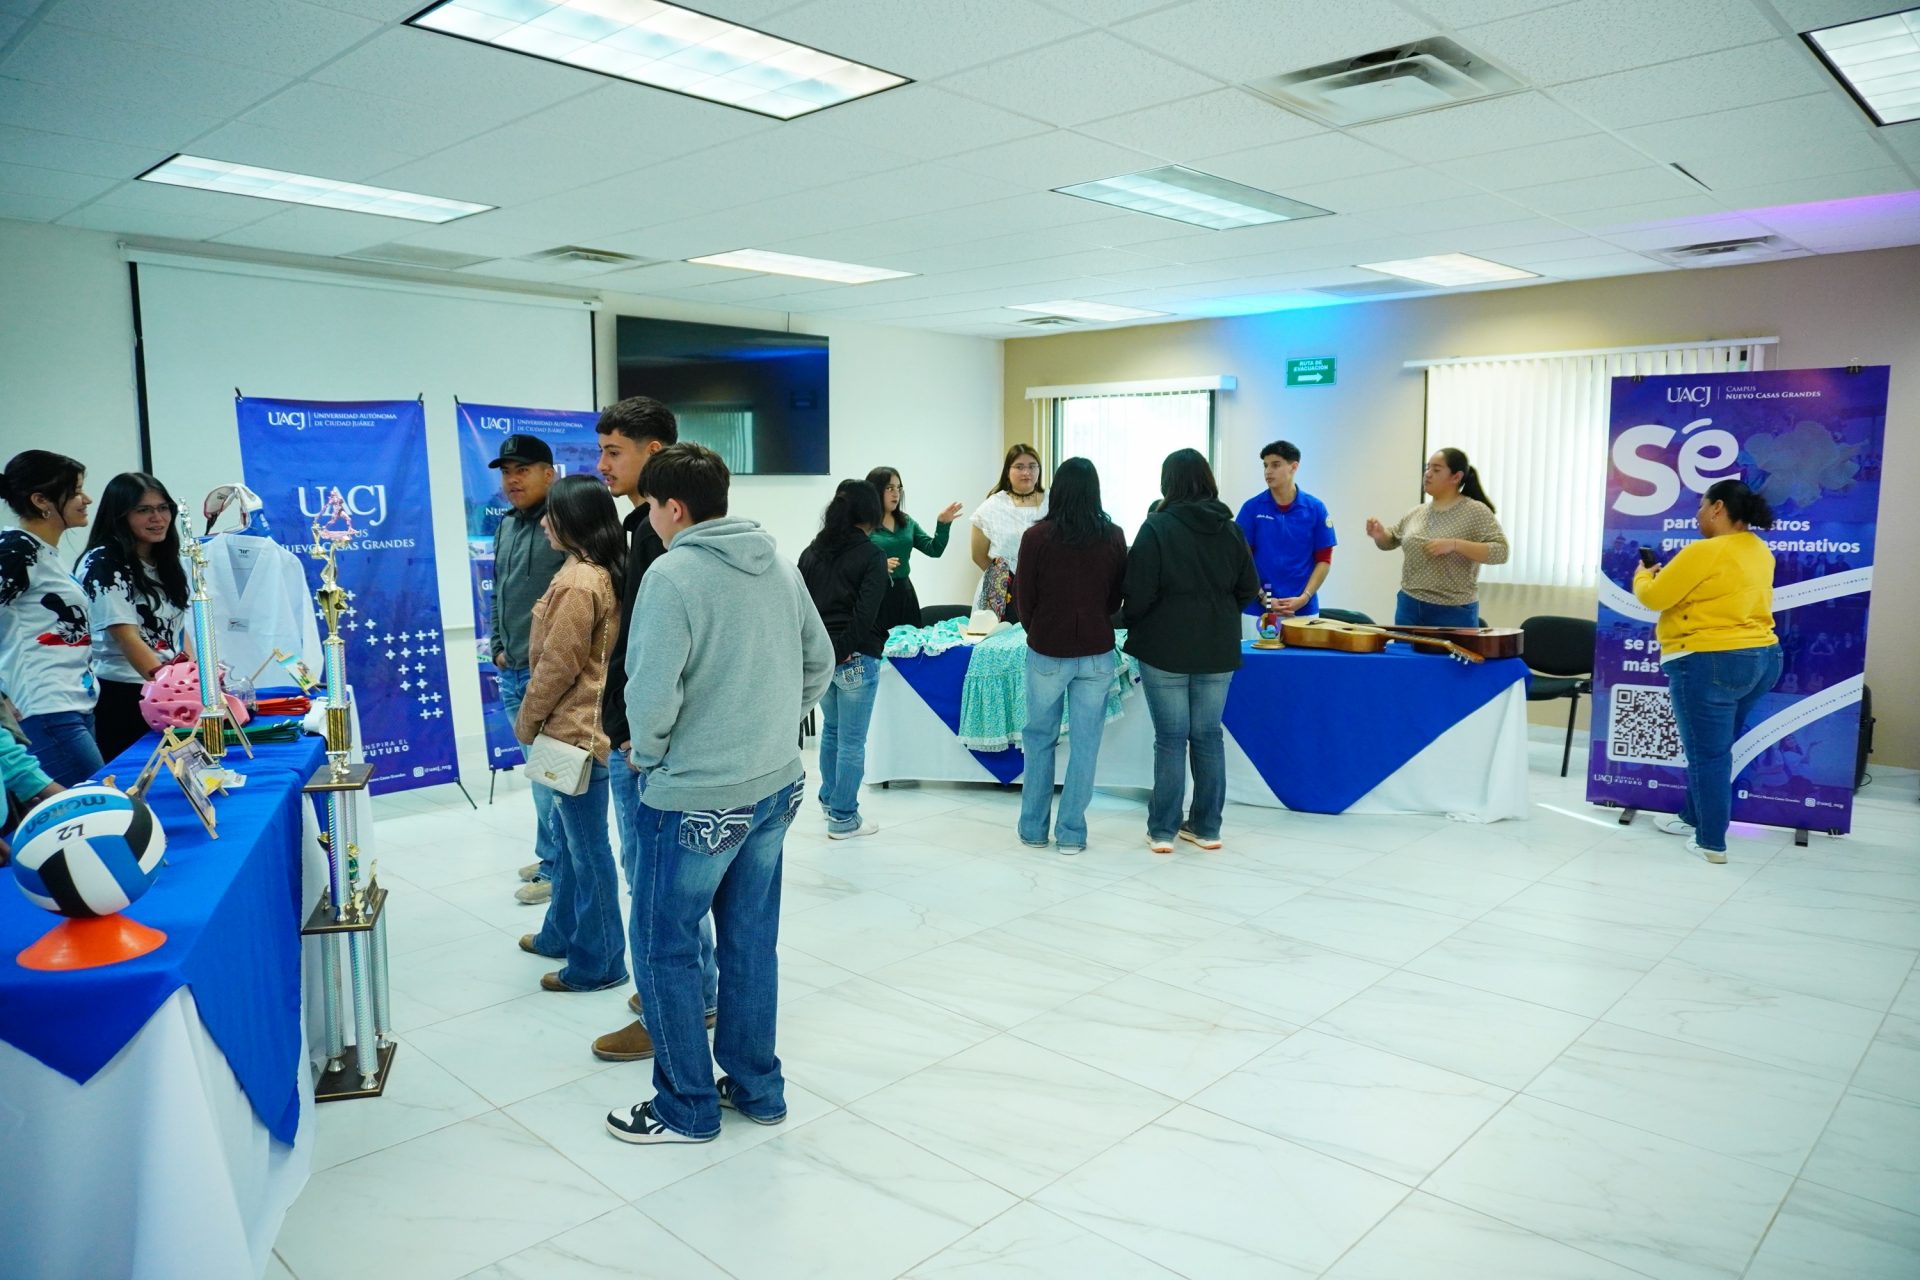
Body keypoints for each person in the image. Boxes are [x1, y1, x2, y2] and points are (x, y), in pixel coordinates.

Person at [607, 443, 834, 1145]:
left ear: (674, 508)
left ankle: (686, 1106)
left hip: (695, 794)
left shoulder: (672, 575)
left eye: (650, 505)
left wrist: (651, 758)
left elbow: (650, 693)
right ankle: (759, 1090)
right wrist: (771, 729)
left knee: (665, 946)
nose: (648, 518)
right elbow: (819, 661)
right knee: (750, 941)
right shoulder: (779, 563)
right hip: (776, 785)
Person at [589, 396, 720, 1064]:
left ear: (655, 451)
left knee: (654, 883)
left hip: (646, 742)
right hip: (639, 732)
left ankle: (676, 1004)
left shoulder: (661, 538)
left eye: (614, 451)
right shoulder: (642, 526)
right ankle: (690, 992)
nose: (603, 464)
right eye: (601, 450)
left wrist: (636, 735)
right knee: (657, 879)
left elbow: (651, 656)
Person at [513, 474, 628, 993]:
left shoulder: (580, 581)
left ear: (574, 520)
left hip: (574, 733)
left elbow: (558, 665)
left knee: (586, 849)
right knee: (569, 838)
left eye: (552, 514)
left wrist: (527, 720)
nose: (543, 523)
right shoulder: (591, 570)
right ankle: (560, 933)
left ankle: (599, 961)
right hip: (582, 730)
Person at [1634, 478, 1783, 865]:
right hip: (1763, 658)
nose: (1697, 514)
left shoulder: (1705, 550)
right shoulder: (1758, 548)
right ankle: (1691, 817)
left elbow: (1654, 597)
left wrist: (1643, 574)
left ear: (1718, 508)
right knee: (1714, 748)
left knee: (1707, 755)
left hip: (1709, 660)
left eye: (1701, 506)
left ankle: (1711, 842)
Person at [1123, 449, 1260, 854]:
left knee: (1170, 738)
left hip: (1164, 647)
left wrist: (1130, 619)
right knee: (1208, 736)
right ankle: (1207, 827)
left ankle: (1163, 831)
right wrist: (1218, 613)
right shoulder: (1230, 530)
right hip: (1217, 647)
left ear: (1168, 483)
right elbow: (1248, 589)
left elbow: (1138, 592)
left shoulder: (1156, 527)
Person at [1014, 457, 1127, 854]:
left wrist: (1040, 628)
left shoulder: (1036, 537)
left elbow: (1024, 599)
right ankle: (1072, 834)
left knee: (1039, 739)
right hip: (1097, 649)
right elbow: (1115, 600)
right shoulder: (1113, 535)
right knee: (1085, 744)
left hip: (1048, 647)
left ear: (1057, 490)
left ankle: (1033, 829)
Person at [488, 433, 568, 906]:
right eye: (506, 472)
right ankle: (551, 855)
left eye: (522, 470)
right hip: (512, 671)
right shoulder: (505, 526)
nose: (512, 480)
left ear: (548, 473)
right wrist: (498, 646)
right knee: (540, 775)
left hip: (549, 678)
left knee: (551, 776)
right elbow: (498, 590)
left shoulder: (563, 523)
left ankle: (558, 870)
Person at [0, 451, 101, 786]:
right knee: (93, 806)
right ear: (41, 500)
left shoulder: (44, 553)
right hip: (45, 707)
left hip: (72, 703)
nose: (86, 499)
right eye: (76, 492)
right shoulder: (17, 549)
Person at [799, 479, 891, 840]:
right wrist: (842, 651)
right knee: (852, 741)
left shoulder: (811, 552)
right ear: (870, 512)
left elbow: (803, 609)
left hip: (821, 660)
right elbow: (865, 615)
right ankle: (843, 817)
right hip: (855, 658)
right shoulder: (872, 555)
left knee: (833, 732)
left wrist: (824, 655)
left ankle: (829, 801)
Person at [76, 473, 189, 760]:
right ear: (120, 515)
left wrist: (196, 680)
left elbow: (177, 629)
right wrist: (174, 692)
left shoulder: (163, 560)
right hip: (124, 695)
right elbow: (126, 637)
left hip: (166, 691)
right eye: (144, 510)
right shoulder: (104, 561)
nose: (157, 518)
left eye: (163, 508)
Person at [1365, 448, 1508, 627]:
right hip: (1409, 606)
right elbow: (1390, 541)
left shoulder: (1475, 511)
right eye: (1427, 468)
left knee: (1450, 649)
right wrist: (1380, 535)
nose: (1428, 474)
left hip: (1453, 610)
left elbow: (1501, 552)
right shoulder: (1417, 512)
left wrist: (1455, 544)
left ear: (1456, 477)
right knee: (1403, 647)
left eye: (1436, 469)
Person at [1235, 440, 1335, 634]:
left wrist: (1304, 598)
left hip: (1302, 609)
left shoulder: (1315, 509)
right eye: (1265, 465)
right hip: (1259, 609)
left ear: (1293, 467)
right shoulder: (1251, 509)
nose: (1268, 471)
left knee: (1301, 656)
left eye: (1275, 465)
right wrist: (1264, 598)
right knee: (1258, 655)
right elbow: (1241, 560)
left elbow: (1324, 559)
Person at [865, 466, 963, 631]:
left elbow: (934, 550)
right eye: (889, 488)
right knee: (881, 644)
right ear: (874, 491)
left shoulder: (906, 522)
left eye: (898, 488)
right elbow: (850, 563)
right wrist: (878, 565)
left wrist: (943, 525)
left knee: (912, 641)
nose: (896, 493)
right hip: (875, 593)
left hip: (904, 592)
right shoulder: (864, 525)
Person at [969, 444, 1048, 620]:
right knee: (999, 635)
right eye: (1019, 467)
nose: (1026, 472)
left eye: (1032, 466)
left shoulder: (1052, 502)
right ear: (1007, 471)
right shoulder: (992, 506)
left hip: (1044, 587)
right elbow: (978, 555)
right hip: (1001, 589)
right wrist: (1003, 579)